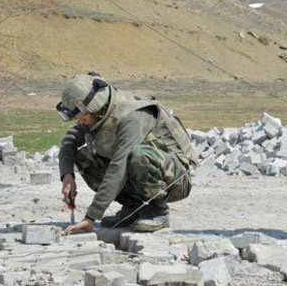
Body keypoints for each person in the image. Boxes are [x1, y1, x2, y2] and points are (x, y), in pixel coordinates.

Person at [56, 72, 197, 234]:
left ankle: (158, 210)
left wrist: (91, 217)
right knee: (84, 158)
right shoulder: (98, 114)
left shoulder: (132, 117)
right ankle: (134, 208)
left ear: (95, 109)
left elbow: (119, 166)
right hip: (144, 170)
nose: (80, 122)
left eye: (82, 117)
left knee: (137, 156)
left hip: (176, 180)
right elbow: (70, 140)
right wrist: (67, 175)